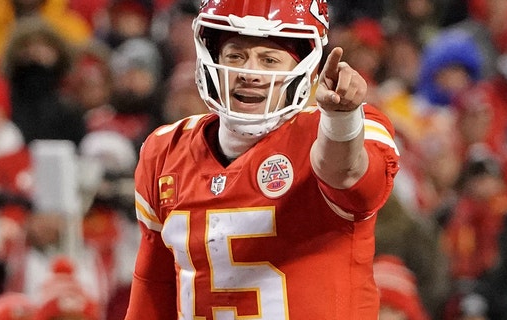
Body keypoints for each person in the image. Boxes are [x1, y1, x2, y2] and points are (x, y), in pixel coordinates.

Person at [124, 1, 400, 319]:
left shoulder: (341, 129)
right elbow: (152, 289)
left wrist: (341, 120)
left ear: (304, 69)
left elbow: (351, 179)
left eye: (269, 59)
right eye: (236, 55)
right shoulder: (164, 151)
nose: (249, 73)